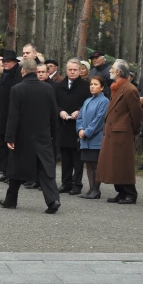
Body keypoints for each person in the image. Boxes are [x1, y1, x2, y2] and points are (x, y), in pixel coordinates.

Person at [0, 59, 61, 214]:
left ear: (23, 71)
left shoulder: (17, 89)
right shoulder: (47, 89)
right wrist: (53, 134)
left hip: (22, 136)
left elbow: (13, 116)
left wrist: (9, 137)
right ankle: (53, 199)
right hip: (43, 135)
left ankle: (11, 200)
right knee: (46, 169)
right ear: (35, 71)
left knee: (15, 168)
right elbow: (54, 114)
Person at [96, 60, 143, 204]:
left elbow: (137, 114)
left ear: (118, 72)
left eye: (112, 69)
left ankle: (130, 193)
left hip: (123, 133)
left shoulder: (129, 90)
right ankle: (121, 192)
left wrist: (131, 131)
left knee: (124, 165)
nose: (109, 71)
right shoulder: (116, 88)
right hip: (113, 132)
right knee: (115, 164)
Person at [54, 58, 91, 195]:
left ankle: (77, 184)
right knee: (65, 157)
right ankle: (66, 183)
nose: (72, 72)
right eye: (70, 70)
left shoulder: (85, 86)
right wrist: (60, 111)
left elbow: (89, 103)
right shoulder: (59, 85)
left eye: (75, 70)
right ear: (66, 70)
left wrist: (80, 111)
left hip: (78, 126)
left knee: (77, 158)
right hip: (63, 125)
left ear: (80, 70)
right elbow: (54, 103)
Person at [76, 76, 110, 199]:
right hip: (84, 138)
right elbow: (80, 117)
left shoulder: (104, 101)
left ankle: (96, 190)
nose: (92, 86)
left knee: (95, 164)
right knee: (88, 164)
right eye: (91, 84)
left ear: (102, 87)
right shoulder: (87, 100)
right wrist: (80, 129)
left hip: (96, 138)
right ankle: (91, 189)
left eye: (96, 84)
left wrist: (87, 131)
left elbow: (99, 120)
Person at [0, 49, 23, 183]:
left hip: (12, 113)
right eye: (4, 61)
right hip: (2, 114)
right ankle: (5, 172)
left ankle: (13, 175)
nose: (5, 64)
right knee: (3, 145)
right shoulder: (5, 73)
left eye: (8, 61)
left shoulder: (17, 74)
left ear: (14, 62)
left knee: (12, 146)